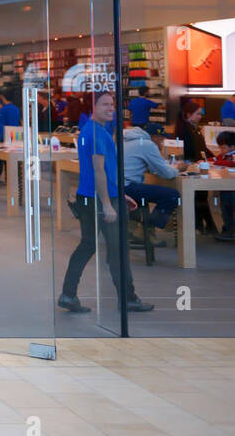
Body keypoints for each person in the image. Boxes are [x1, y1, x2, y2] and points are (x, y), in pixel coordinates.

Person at [59, 91, 153, 314]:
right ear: (93, 107)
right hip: (99, 200)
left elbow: (105, 172)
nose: (111, 108)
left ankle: (68, 294)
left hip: (92, 197)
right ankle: (128, 298)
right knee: (117, 250)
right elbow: (98, 171)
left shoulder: (91, 130)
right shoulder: (97, 134)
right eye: (105, 104)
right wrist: (108, 204)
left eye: (113, 104)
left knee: (88, 245)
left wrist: (119, 194)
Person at [122, 107, 181, 231]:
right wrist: (178, 169)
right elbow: (167, 174)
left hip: (118, 186)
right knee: (172, 195)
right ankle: (148, 231)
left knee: (146, 193)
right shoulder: (148, 145)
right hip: (127, 187)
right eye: (162, 139)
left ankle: (136, 229)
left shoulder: (128, 140)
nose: (163, 142)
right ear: (155, 137)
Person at [176, 101, 218, 235]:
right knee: (201, 196)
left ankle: (205, 225)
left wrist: (215, 158)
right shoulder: (185, 131)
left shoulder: (194, 129)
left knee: (201, 196)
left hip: (197, 165)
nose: (200, 116)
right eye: (198, 114)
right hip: (191, 168)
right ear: (188, 115)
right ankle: (209, 226)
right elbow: (186, 151)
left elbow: (202, 148)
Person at [212, 131, 235, 242]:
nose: (221, 150)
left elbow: (231, 164)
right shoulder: (224, 155)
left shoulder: (232, 156)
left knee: (229, 204)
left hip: (232, 187)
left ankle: (231, 230)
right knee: (225, 206)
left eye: (223, 147)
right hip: (226, 186)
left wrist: (217, 163)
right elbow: (216, 159)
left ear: (232, 146)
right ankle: (228, 228)